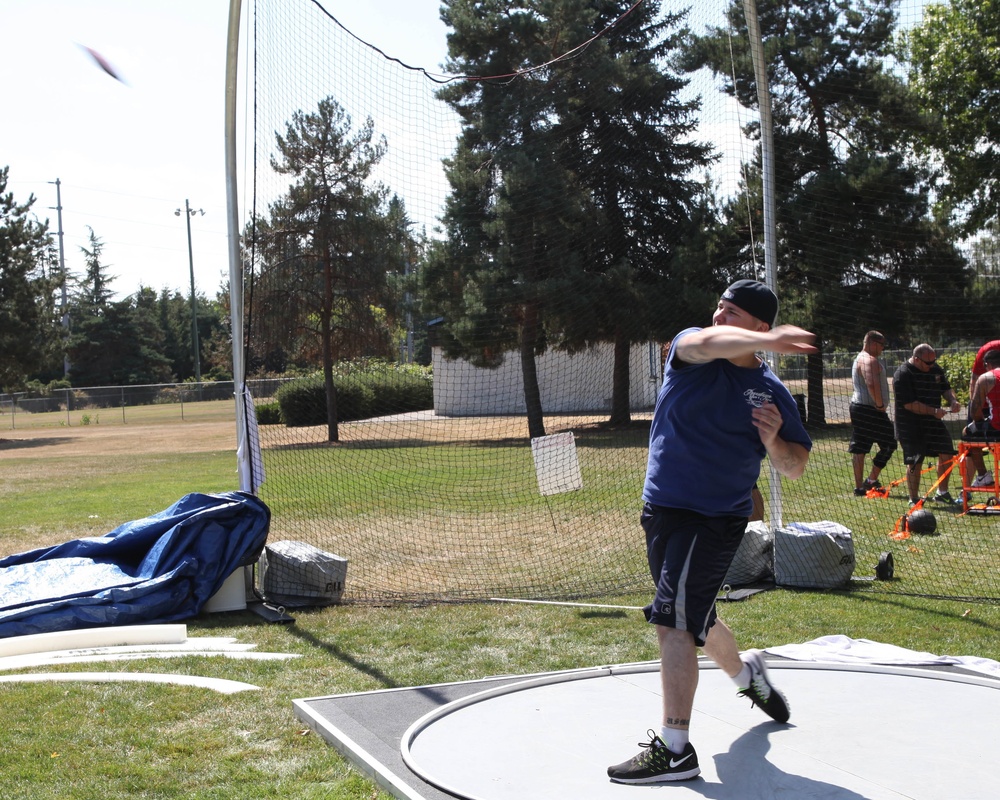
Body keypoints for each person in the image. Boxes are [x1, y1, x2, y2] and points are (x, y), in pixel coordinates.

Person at [607, 279, 815, 784]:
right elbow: (707, 342)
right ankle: (748, 677)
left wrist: (772, 440)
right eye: (718, 308)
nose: (718, 319)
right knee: (695, 617)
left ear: (760, 325)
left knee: (675, 623)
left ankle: (674, 748)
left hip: (716, 519)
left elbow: (796, 466)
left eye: (733, 313)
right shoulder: (689, 348)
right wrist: (765, 341)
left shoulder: (770, 392)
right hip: (661, 509)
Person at [892, 344, 960, 506]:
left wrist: (953, 400)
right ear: (916, 359)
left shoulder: (934, 368)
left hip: (933, 422)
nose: (931, 366)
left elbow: (946, 388)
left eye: (933, 361)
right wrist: (933, 411)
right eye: (928, 363)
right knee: (915, 460)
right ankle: (913, 498)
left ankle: (942, 493)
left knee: (947, 452)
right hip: (910, 424)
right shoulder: (903, 374)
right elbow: (909, 404)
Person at [849, 331, 896, 495]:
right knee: (890, 443)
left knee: (860, 448)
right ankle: (870, 481)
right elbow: (871, 382)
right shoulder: (869, 359)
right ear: (873, 343)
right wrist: (880, 404)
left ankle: (860, 487)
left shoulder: (859, 358)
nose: (883, 348)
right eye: (882, 345)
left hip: (859, 408)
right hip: (869, 409)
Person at [961, 349, 1000, 487]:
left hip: (997, 427)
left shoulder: (986, 378)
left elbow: (974, 410)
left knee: (968, 432)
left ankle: (983, 475)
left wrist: (979, 421)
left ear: (987, 364)